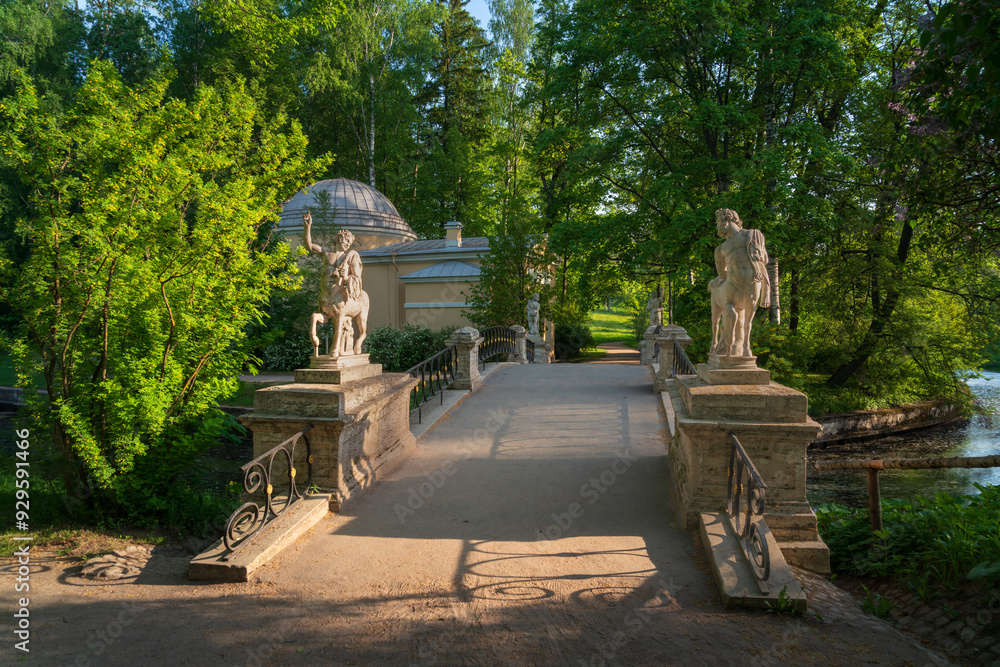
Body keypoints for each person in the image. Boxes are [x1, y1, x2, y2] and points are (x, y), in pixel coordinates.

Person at [303, 210, 369, 358]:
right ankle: (313, 335)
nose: (347, 244)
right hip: (325, 295)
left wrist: (347, 278)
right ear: (339, 239)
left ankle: (355, 342)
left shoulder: (350, 257)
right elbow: (309, 245)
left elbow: (357, 277)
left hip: (340, 294)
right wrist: (307, 227)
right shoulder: (326, 253)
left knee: (351, 322)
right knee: (317, 316)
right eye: (345, 241)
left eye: (349, 242)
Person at [709, 209, 770, 358]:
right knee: (733, 316)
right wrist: (716, 281)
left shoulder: (752, 235)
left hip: (752, 283)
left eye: (720, 222)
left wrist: (766, 293)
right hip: (733, 286)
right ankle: (724, 344)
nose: (718, 226)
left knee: (747, 322)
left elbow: (763, 261)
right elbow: (722, 274)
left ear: (729, 220)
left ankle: (746, 347)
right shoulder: (721, 249)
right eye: (718, 223)